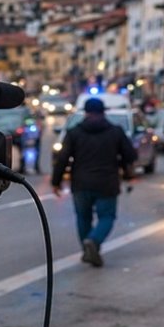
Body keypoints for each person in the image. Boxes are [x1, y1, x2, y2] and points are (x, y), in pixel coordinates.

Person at [51, 97, 137, 268]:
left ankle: (87, 248)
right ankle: (94, 240)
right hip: (107, 183)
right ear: (104, 111)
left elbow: (62, 159)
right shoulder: (115, 131)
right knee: (107, 216)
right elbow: (130, 156)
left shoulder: (74, 132)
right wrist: (124, 170)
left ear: (85, 112)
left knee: (83, 217)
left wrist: (56, 182)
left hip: (81, 183)